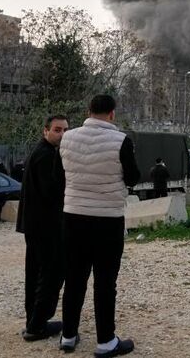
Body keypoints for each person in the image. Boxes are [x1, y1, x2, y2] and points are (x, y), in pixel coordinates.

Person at [59, 94, 141, 356]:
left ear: (88, 110)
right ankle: (106, 341)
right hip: (107, 219)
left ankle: (68, 335)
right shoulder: (121, 141)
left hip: (73, 217)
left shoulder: (67, 138)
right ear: (112, 114)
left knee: (74, 278)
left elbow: (66, 172)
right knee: (105, 282)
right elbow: (132, 178)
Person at [17, 115, 69, 342]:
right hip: (46, 226)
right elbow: (53, 192)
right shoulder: (47, 156)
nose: (62, 134)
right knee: (51, 274)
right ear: (45, 131)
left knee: (36, 274)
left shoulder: (41, 153)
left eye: (66, 130)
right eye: (58, 130)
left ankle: (33, 321)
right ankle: (37, 325)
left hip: (35, 225)